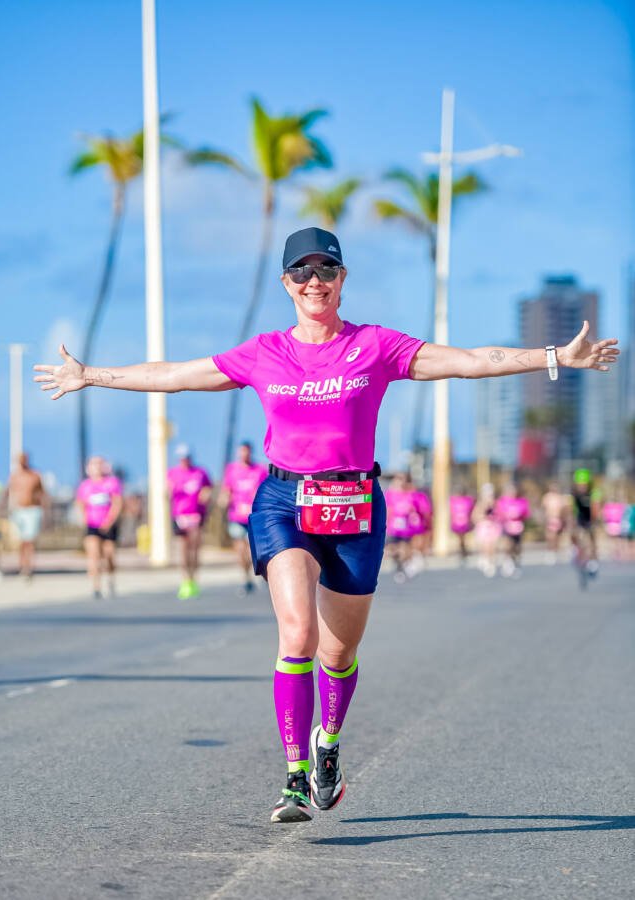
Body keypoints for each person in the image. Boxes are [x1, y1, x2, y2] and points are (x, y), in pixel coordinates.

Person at [34, 225, 619, 824]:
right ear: (286, 284)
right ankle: (292, 778)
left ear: (342, 280)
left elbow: (468, 362)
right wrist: (92, 375)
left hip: (357, 507)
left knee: (339, 651)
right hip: (284, 502)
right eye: (302, 273)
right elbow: (177, 373)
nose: (314, 282)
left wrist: (553, 356)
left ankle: (327, 746)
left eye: (326, 271)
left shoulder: (376, 346)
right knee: (297, 635)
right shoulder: (264, 352)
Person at [220, 441, 268, 594]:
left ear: (250, 452)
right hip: (236, 516)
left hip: (253, 516)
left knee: (251, 548)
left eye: (246, 451)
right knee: (240, 549)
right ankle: (246, 578)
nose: (244, 454)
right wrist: (224, 499)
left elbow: (266, 490)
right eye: (241, 451)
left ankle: (257, 573)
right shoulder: (232, 470)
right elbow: (227, 489)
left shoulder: (259, 470)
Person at [167, 445, 212, 599]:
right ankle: (185, 580)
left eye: (186, 457)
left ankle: (194, 577)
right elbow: (166, 491)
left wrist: (204, 497)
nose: (184, 460)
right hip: (180, 515)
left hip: (196, 514)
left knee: (194, 548)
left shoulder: (200, 472)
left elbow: (208, 488)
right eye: (181, 457)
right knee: (183, 549)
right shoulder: (172, 473)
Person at [76, 456, 124, 600]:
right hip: (92, 524)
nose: (96, 467)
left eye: (99, 464)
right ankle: (96, 586)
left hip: (108, 525)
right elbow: (80, 503)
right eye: (93, 464)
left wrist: (109, 521)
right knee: (93, 554)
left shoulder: (112, 483)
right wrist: (84, 517)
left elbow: (117, 503)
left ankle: (111, 577)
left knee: (109, 554)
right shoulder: (85, 486)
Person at [7, 452, 47, 581]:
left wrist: (44, 509)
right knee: (21, 541)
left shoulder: (35, 475)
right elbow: (8, 492)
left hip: (32, 510)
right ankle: (22, 565)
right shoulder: (14, 476)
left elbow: (42, 492)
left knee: (29, 540)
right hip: (19, 511)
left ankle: (29, 567)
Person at [384, 473, 417, 583]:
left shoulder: (411, 494)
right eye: (398, 480)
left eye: (402, 480)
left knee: (404, 549)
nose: (400, 482)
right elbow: (388, 509)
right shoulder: (390, 494)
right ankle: (399, 565)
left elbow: (415, 509)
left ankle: (401, 568)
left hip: (406, 527)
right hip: (393, 527)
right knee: (390, 549)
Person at [495, 483, 530, 576]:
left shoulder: (521, 501)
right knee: (508, 545)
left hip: (517, 527)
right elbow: (498, 514)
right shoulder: (502, 501)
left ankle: (515, 561)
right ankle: (507, 562)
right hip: (506, 526)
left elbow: (526, 514)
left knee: (517, 547)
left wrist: (518, 516)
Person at [570, 468, 600, 575]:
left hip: (590, 517)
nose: (582, 487)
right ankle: (577, 551)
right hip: (580, 517)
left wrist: (593, 523)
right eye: (580, 484)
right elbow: (572, 509)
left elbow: (595, 508)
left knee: (592, 538)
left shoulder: (593, 493)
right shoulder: (574, 494)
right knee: (576, 534)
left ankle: (593, 560)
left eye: (584, 484)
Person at [473, 483, 502, 577]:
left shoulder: (495, 503)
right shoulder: (480, 504)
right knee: (485, 545)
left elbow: (499, 514)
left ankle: (491, 562)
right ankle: (485, 559)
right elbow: (475, 517)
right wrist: (484, 514)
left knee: (492, 545)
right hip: (484, 527)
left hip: (493, 527)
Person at [541, 481, 570, 561]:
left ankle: (555, 550)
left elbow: (565, 509)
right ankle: (550, 550)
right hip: (550, 519)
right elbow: (544, 508)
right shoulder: (547, 497)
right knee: (550, 536)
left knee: (557, 536)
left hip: (558, 519)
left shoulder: (560, 498)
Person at [449, 487, 475, 564]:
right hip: (457, 524)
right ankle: (461, 552)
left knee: (464, 539)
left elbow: (471, 511)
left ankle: (464, 551)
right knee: (459, 539)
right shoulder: (453, 501)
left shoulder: (468, 501)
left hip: (465, 523)